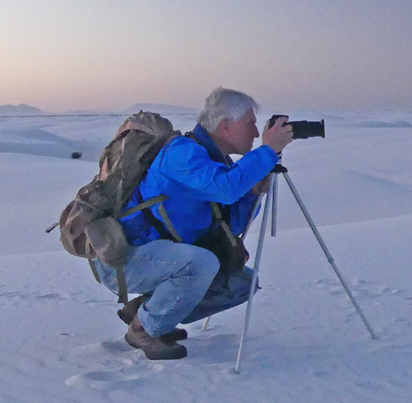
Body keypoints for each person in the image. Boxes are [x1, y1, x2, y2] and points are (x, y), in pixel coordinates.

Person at [91, 87, 294, 360]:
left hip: (159, 257)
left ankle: (149, 311)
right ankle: (144, 329)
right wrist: (267, 152)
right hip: (123, 258)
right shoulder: (182, 155)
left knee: (240, 283)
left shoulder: (213, 162)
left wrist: (252, 191)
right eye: (251, 125)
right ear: (225, 126)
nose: (257, 134)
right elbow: (225, 188)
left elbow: (229, 225)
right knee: (200, 264)